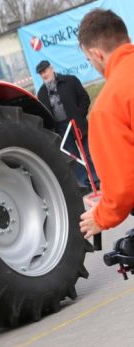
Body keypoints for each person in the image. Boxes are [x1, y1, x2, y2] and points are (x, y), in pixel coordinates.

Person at [78, 9, 134, 238]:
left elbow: (122, 187)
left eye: (89, 60)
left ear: (97, 54)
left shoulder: (108, 106)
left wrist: (100, 216)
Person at [36, 60, 99, 188]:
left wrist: (79, 114)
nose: (44, 74)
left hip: (77, 123)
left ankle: (97, 180)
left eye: (45, 70)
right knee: (73, 157)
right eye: (41, 73)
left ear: (51, 68)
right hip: (61, 129)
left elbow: (84, 98)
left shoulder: (70, 81)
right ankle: (86, 184)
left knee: (88, 152)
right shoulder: (41, 93)